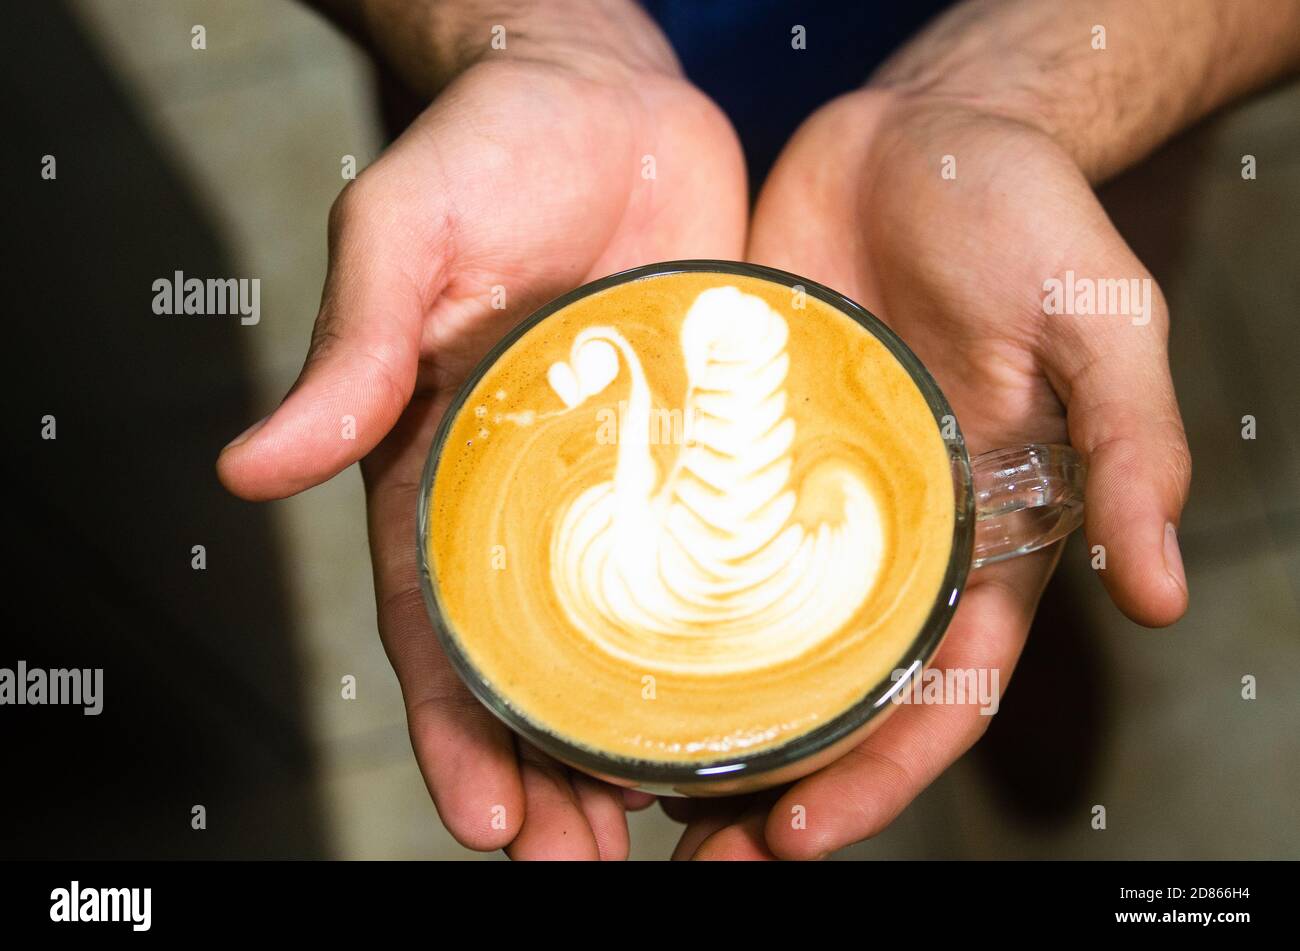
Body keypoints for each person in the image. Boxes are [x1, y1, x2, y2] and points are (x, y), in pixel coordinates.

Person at [217, 0, 1300, 859]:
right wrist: (530, 35)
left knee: (1020, 385)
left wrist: (1009, 98)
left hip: (1072, 80)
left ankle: (989, 571)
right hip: (536, 141)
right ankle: (951, 579)